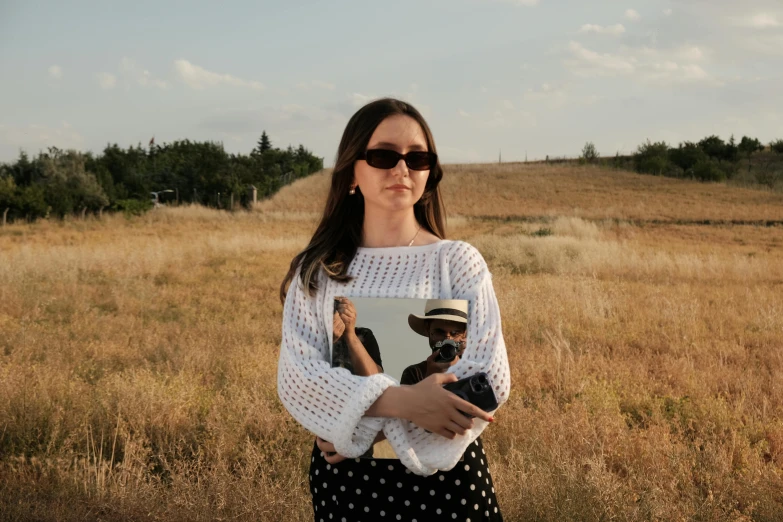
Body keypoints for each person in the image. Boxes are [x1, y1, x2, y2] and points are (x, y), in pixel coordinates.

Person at [277, 97, 510, 521]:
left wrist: (352, 429)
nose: (402, 169)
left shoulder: (457, 262)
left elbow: (489, 378)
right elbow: (299, 380)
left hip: (449, 478)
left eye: (417, 158)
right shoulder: (320, 271)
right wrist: (405, 402)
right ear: (352, 171)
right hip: (349, 485)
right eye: (384, 156)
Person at [400, 299, 468, 385]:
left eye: (454, 333)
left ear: (464, 334)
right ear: (427, 329)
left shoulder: (474, 369)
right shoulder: (415, 373)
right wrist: (431, 377)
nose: (447, 340)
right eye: (439, 332)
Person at [331, 297, 384, 375]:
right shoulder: (308, 338)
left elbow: (376, 378)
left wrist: (350, 334)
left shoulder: (363, 335)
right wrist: (327, 341)